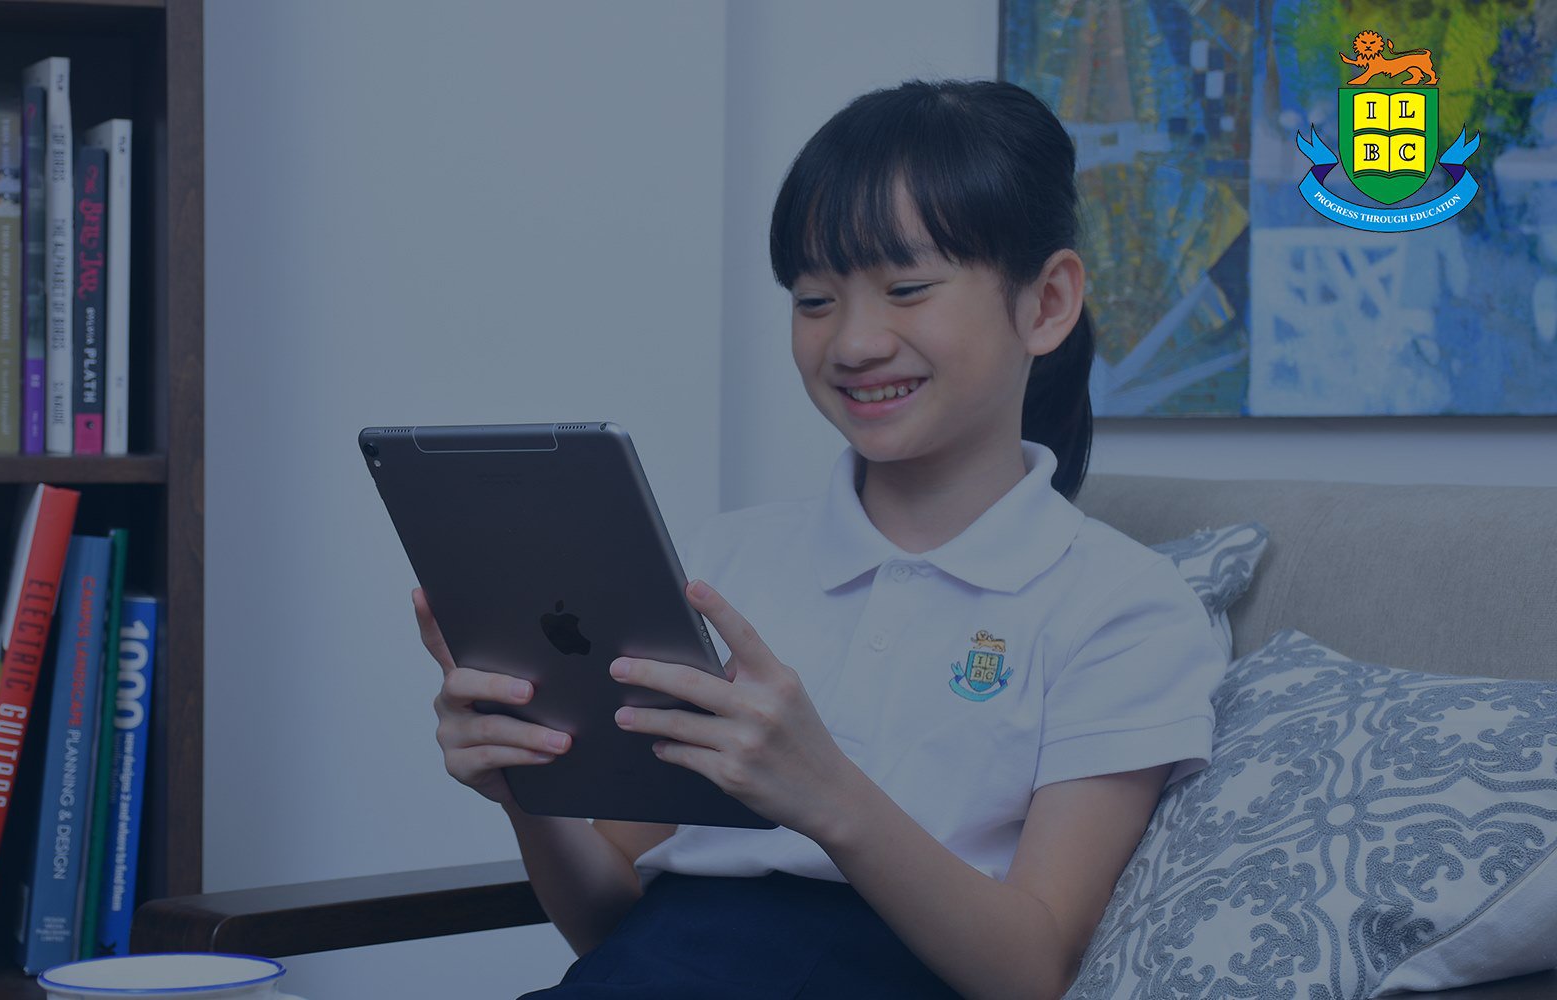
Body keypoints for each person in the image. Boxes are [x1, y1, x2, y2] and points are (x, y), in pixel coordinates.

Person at [415, 79, 1227, 999]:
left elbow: (1035, 973)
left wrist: (826, 793)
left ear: (1046, 303)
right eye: (813, 299)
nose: (852, 342)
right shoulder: (721, 569)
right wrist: (530, 796)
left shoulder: (1122, 608)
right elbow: (605, 924)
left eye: (907, 288)